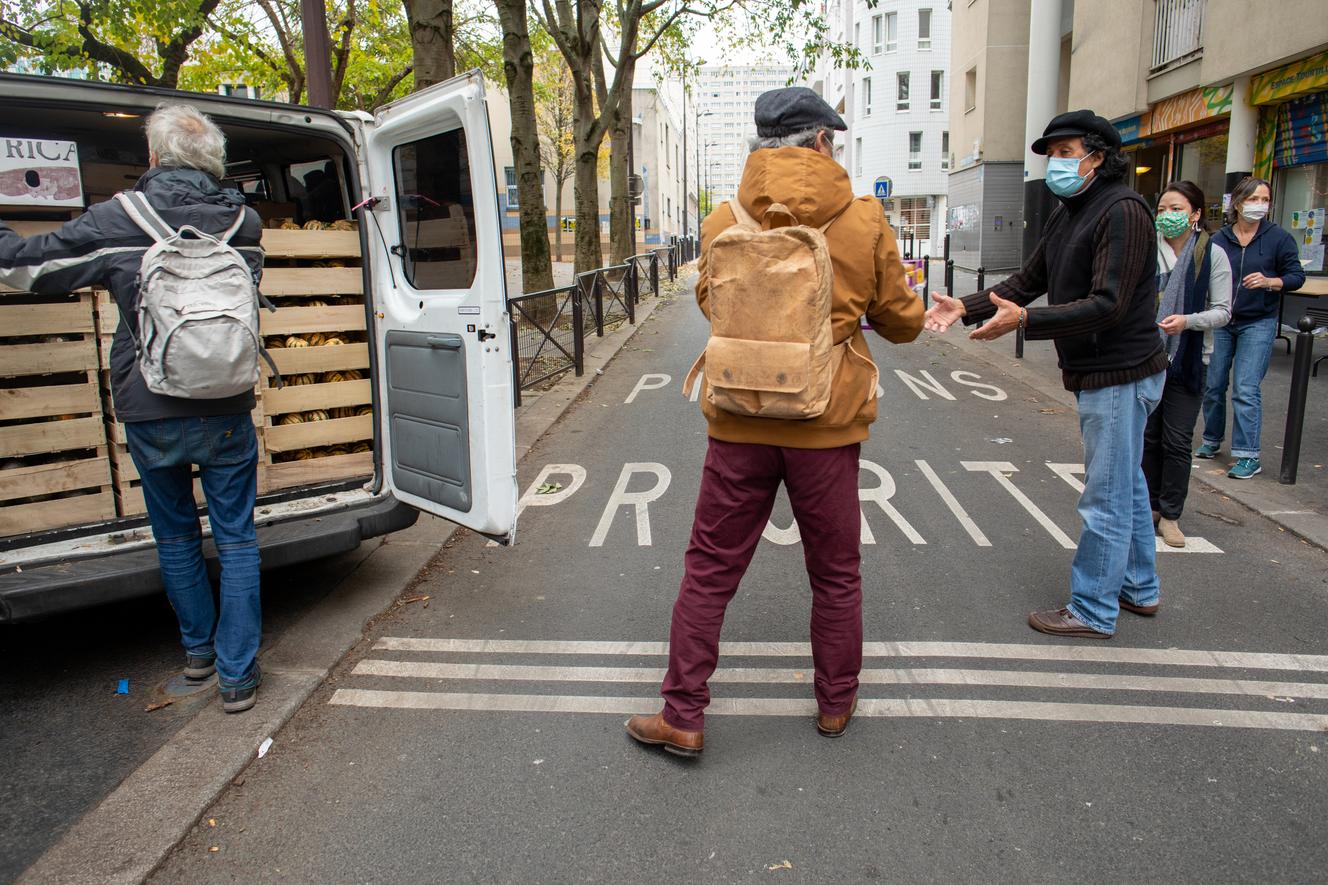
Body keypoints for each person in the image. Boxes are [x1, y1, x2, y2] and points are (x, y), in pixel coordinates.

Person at [625, 87, 924, 756]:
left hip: (739, 421)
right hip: (826, 422)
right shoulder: (864, 217)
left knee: (708, 568)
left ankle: (682, 713)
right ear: (820, 141)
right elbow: (902, 324)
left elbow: (714, 306)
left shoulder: (722, 217)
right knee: (836, 572)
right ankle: (835, 704)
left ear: (761, 143)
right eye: (833, 140)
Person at [0, 104, 266, 712]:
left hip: (150, 405)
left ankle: (199, 654)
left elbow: (28, 268)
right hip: (226, 401)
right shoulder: (244, 222)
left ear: (151, 157)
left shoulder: (118, 218)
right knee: (237, 538)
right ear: (214, 161)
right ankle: (238, 676)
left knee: (174, 535)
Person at [924, 109, 1164, 640]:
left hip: (1120, 371)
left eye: (1065, 152)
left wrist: (1029, 319)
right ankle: (1139, 588)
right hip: (1101, 370)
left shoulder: (1122, 211)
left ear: (1098, 158)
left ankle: (1094, 608)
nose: (1055, 163)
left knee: (1106, 493)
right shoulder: (1069, 211)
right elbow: (1028, 280)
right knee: (1127, 484)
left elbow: (1110, 304)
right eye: (1051, 154)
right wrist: (965, 307)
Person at [1196, 176, 1305, 480]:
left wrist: (1271, 282)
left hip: (1258, 321)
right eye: (1253, 199)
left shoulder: (1278, 238)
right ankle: (1212, 439)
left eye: (1265, 200)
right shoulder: (1219, 239)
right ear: (1238, 203)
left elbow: (1296, 276)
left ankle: (1248, 455)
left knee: (1246, 388)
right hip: (1221, 320)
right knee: (1214, 383)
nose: (1260, 205)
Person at [1143, 181, 1231, 548]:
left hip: (1190, 360)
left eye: (1176, 209)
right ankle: (1149, 506)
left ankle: (1172, 514)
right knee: (1148, 436)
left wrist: (1188, 321)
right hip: (1147, 356)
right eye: (1162, 209)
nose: (1167, 216)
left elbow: (1224, 311)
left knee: (1177, 440)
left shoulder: (1211, 255)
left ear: (1195, 215)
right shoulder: (1149, 250)